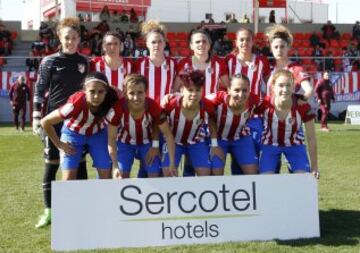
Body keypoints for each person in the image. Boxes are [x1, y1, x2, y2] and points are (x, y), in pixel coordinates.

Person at [32, 17, 88, 228]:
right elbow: (39, 90)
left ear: (79, 39)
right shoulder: (49, 61)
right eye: (67, 38)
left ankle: (81, 209)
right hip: (55, 120)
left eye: (74, 38)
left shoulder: (84, 62)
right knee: (52, 164)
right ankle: (49, 212)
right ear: (60, 38)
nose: (71, 42)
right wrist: (37, 119)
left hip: (77, 122)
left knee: (79, 164)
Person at [40, 72, 117, 180]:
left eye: (100, 92)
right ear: (84, 91)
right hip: (73, 134)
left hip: (97, 134)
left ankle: (101, 197)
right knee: (68, 178)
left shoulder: (111, 100)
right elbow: (45, 122)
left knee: (106, 174)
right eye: (92, 91)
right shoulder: (75, 104)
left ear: (106, 92)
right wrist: (59, 144)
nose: (96, 96)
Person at [174, 29, 230, 176]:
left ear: (210, 45)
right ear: (191, 45)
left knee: (208, 153)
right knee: (190, 156)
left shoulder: (219, 63)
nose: (201, 44)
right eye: (197, 41)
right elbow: (175, 90)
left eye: (204, 41)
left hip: (211, 115)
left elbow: (228, 87)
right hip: (190, 115)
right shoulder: (184, 63)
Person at [107, 74, 176, 178]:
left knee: (154, 174)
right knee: (121, 175)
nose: (136, 97)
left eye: (140, 92)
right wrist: (115, 166)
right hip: (125, 142)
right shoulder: (117, 108)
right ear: (125, 93)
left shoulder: (153, 106)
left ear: (145, 92)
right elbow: (111, 139)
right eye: (131, 93)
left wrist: (171, 163)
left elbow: (168, 134)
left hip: (147, 142)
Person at [256, 69, 319, 179]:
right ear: (273, 87)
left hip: (295, 146)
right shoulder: (264, 104)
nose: (285, 89)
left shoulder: (303, 106)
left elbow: (311, 138)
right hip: (270, 145)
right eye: (280, 85)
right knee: (265, 179)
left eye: (288, 85)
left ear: (294, 87)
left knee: (302, 179)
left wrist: (314, 167)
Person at [225, 27, 270, 174]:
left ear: (253, 42)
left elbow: (270, 84)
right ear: (236, 42)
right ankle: (240, 190)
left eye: (248, 39)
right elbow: (223, 86)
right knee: (237, 156)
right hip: (234, 117)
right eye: (241, 39)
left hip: (255, 117)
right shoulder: (229, 61)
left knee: (254, 158)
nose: (245, 42)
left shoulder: (262, 61)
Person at [162, 70, 223, 177]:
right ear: (182, 90)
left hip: (196, 141)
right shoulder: (170, 104)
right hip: (174, 142)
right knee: (167, 173)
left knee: (205, 174)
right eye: (190, 90)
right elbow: (158, 123)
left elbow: (212, 122)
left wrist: (214, 144)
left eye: (198, 90)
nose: (194, 94)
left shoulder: (207, 106)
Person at [207, 74, 258, 175]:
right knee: (215, 174)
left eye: (245, 90)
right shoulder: (216, 99)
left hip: (241, 138)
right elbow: (200, 106)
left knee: (253, 174)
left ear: (249, 90)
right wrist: (214, 144)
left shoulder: (254, 100)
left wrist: (298, 99)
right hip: (218, 139)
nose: (241, 94)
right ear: (229, 89)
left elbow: (272, 105)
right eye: (237, 90)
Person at [265, 24, 313, 100]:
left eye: (282, 46)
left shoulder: (296, 68)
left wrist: (302, 99)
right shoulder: (268, 68)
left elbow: (309, 90)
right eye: (276, 47)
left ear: (288, 47)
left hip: (289, 110)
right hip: (270, 111)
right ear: (271, 49)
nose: (279, 50)